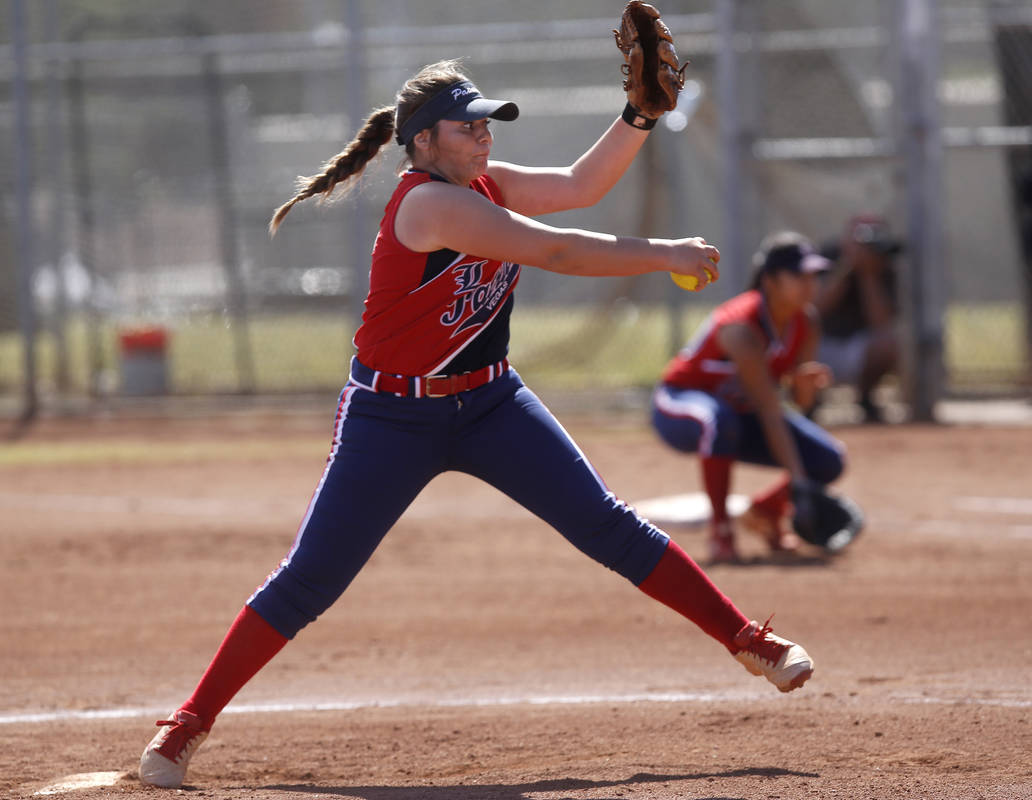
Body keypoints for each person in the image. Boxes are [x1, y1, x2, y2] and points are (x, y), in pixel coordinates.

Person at [138, 59, 814, 790]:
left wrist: (639, 117)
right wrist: (662, 254)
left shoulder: (483, 183)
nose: (484, 136)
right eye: (469, 126)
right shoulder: (426, 205)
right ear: (424, 142)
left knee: (608, 524)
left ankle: (749, 641)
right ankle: (187, 724)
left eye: (487, 123)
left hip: (491, 403)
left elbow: (582, 187)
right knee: (311, 581)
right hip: (392, 415)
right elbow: (552, 248)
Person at [651, 231, 848, 564]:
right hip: (679, 404)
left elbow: (797, 405)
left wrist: (802, 384)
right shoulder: (742, 328)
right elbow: (771, 410)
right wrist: (799, 484)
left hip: (742, 413)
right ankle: (721, 531)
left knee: (828, 460)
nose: (810, 284)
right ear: (769, 280)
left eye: (814, 275)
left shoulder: (806, 323)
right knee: (720, 421)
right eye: (799, 275)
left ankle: (766, 512)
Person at [814, 215, 902, 424]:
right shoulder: (828, 257)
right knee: (798, 338)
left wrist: (868, 276)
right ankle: (809, 403)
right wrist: (847, 267)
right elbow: (815, 309)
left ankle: (866, 399)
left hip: (857, 348)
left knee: (887, 345)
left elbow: (881, 324)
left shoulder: (883, 268)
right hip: (819, 346)